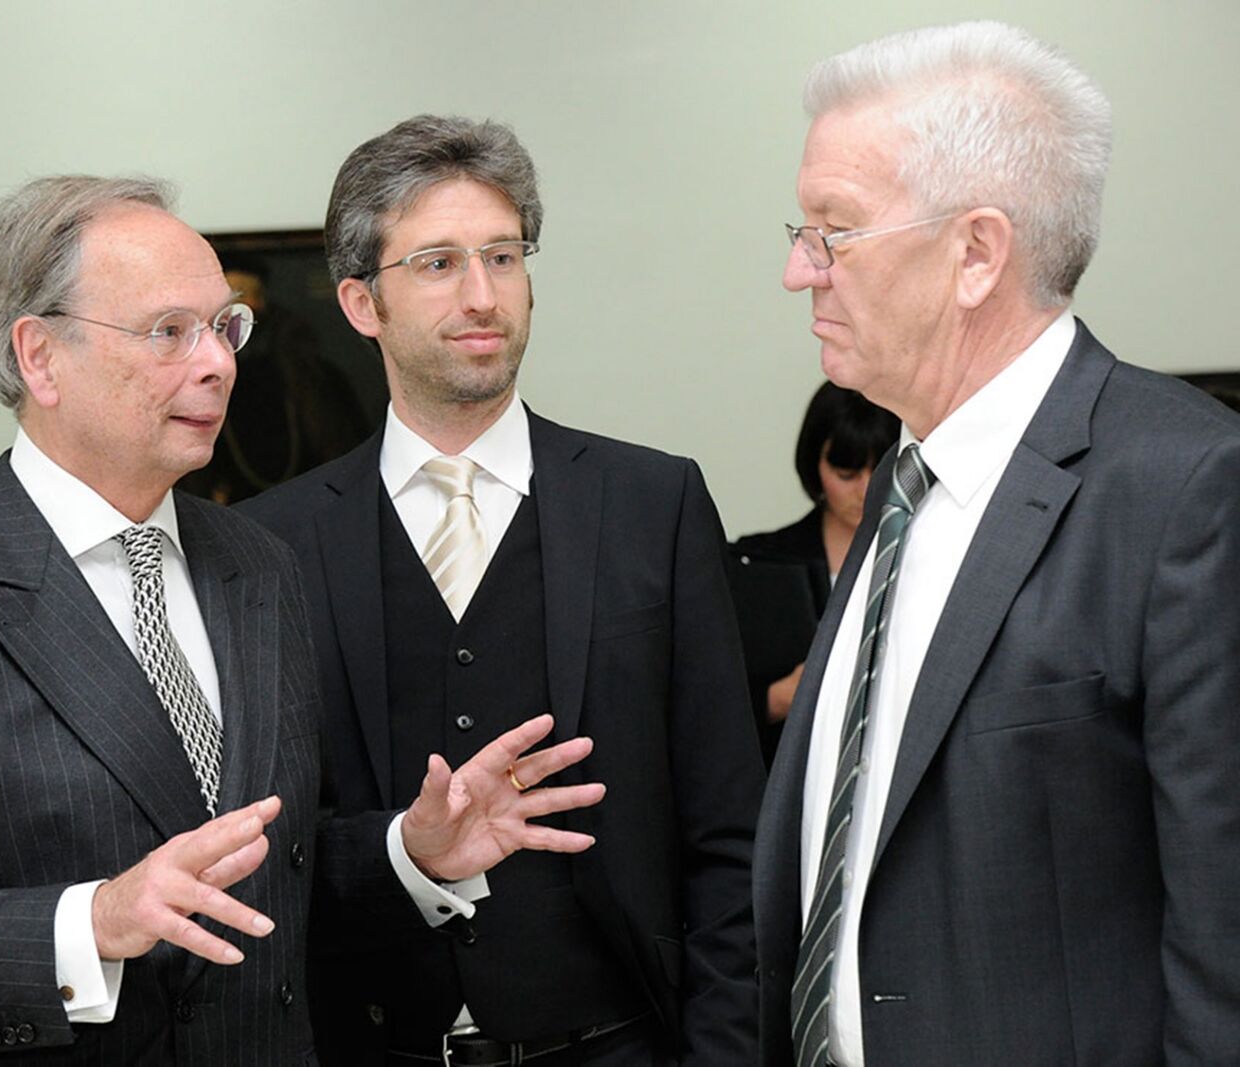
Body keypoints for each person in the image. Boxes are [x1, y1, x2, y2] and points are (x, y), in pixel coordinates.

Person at [0, 175, 602, 1066]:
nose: (219, 362)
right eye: (169, 331)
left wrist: (410, 854)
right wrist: (91, 923)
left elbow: (267, 871)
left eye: (225, 326)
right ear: (40, 356)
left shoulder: (258, 563)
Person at [752, 21, 1240, 1066]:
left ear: (975, 253)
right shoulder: (904, 479)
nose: (799, 270)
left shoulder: (1185, 490)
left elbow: (1225, 938)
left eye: (834, 232)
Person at [239, 115, 763, 1066]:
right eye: (438, 263)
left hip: (620, 1043)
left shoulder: (654, 503)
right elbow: (267, 849)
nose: (482, 295)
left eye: (503, 257)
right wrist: (405, 853)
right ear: (360, 303)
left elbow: (731, 829)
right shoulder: (273, 543)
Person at [728, 383, 897, 765]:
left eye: (881, 469)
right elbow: (706, 704)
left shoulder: (936, 555)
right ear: (814, 466)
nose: (866, 489)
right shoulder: (756, 564)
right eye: (846, 472)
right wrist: (778, 699)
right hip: (787, 774)